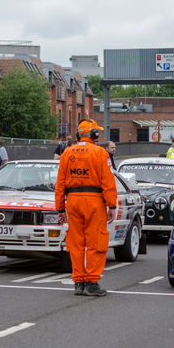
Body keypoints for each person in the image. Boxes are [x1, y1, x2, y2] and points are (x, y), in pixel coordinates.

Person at [55, 119, 117, 297]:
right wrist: (111, 204)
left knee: (75, 243)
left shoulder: (67, 153)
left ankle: (79, 282)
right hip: (94, 201)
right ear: (94, 135)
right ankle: (91, 282)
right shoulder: (100, 153)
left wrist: (60, 209)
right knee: (96, 242)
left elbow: (60, 184)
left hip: (73, 201)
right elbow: (108, 182)